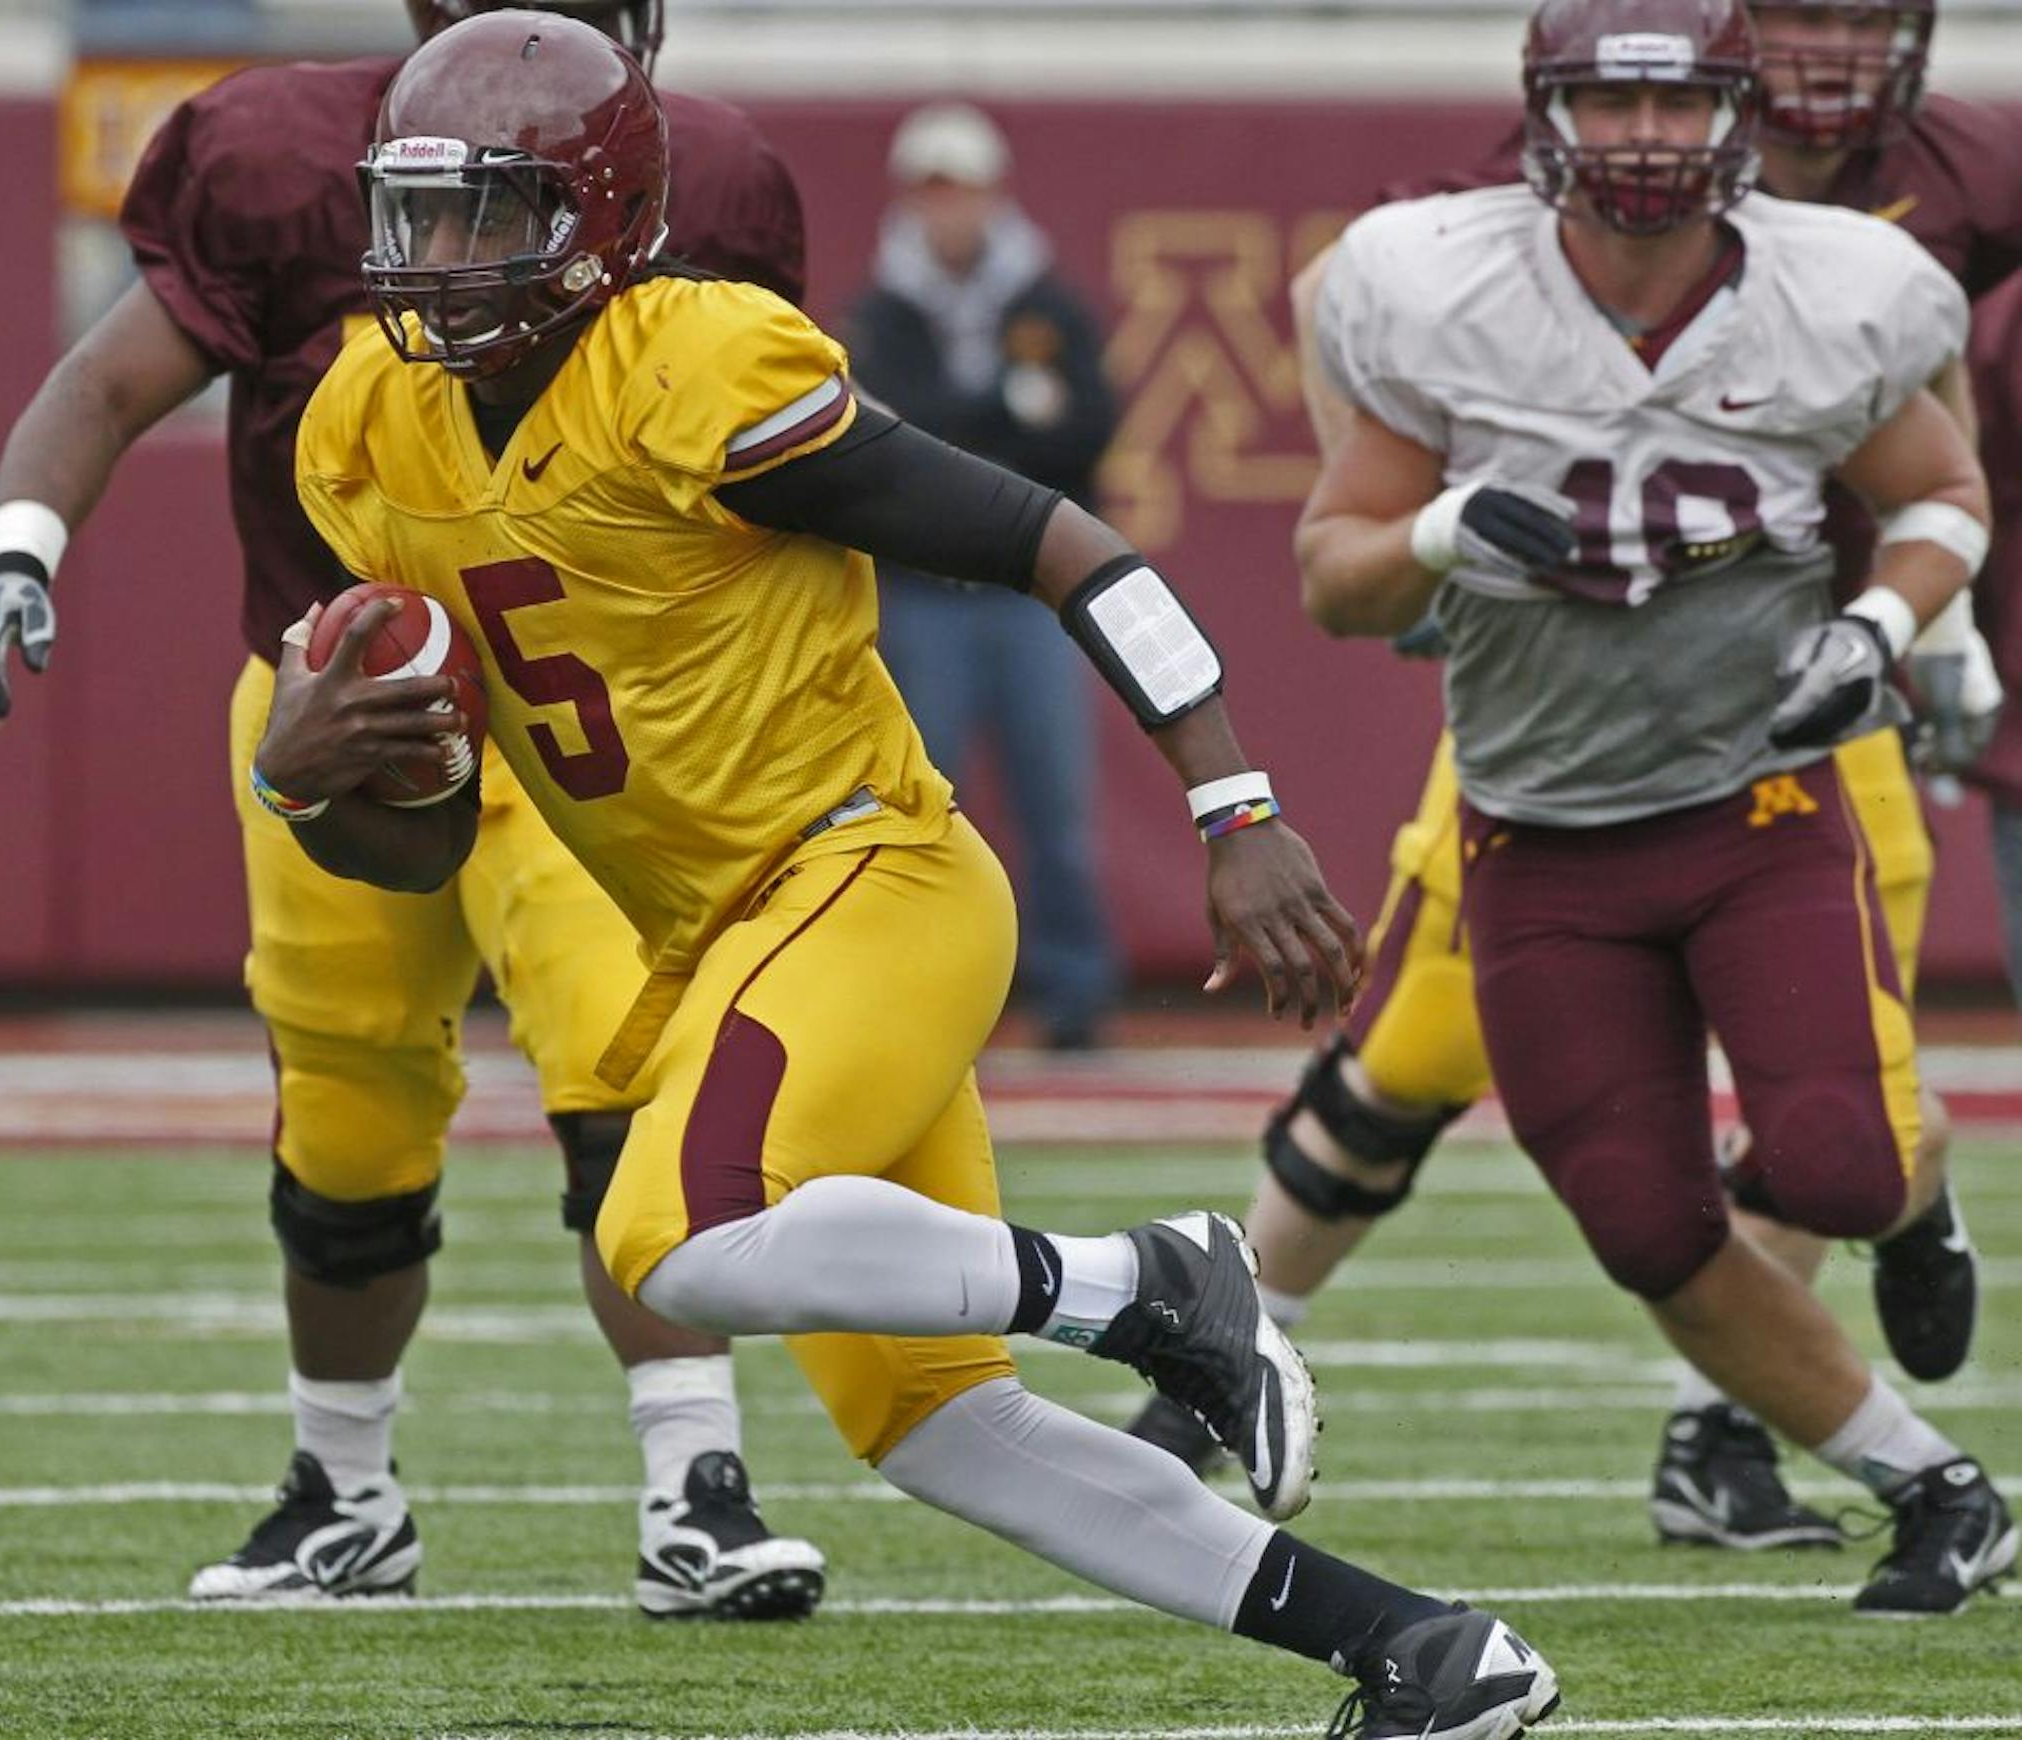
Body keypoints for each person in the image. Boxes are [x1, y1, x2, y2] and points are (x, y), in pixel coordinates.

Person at [269, 16, 1562, 1738]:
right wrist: (308, 786)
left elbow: (1067, 545)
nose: (431, 263)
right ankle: (1426, 1653)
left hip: (868, 880)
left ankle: (1151, 1283)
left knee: (679, 1232)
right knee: (938, 1428)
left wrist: (1237, 806)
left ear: (597, 219)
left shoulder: (691, 374)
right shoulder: (370, 427)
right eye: (412, 216)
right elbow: (427, 837)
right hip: (736, 946)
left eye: (478, 216)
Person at [0, 0, 828, 1618]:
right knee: (344, 1142)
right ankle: (342, 1495)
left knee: (627, 1089)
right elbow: (109, 378)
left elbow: (774, 475)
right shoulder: (282, 162)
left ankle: (696, 1479)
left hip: (582, 729)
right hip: (339, 715)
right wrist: (17, 545)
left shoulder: (716, 175)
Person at [1134, 0, 2003, 1551]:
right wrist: (1438, 539)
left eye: (1682, 109)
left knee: (1846, 1148)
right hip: (1539, 800)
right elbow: (1342, 551)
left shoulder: (1879, 260)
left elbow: (1945, 477)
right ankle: (1226, 1360)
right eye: (1616, 107)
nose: (1652, 141)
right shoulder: (1442, 275)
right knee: (1467, 1110)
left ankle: (1869, 1263)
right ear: (1550, 114)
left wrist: (1902, 629)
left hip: (1776, 765)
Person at [845, 103, 1122, 1051]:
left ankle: (1075, 998)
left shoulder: (1045, 300)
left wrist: (962, 424)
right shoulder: (882, 310)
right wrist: (1005, 410)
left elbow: (1090, 427)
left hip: (1029, 598)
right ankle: (923, 998)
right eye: (932, 189)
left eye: (960, 187)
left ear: (991, 193)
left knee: (1059, 805)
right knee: (923, 805)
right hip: (925, 595)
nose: (948, 209)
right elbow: (891, 436)